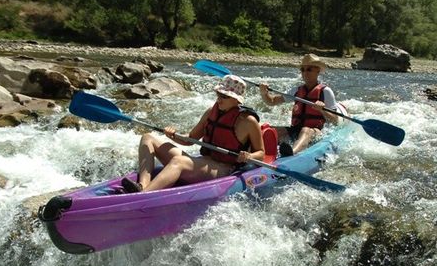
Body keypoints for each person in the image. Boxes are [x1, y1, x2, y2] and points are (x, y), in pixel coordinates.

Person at [121, 75, 265, 193]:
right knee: (148, 138)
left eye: (224, 96)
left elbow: (261, 153)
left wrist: (249, 156)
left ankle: (143, 197)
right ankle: (143, 186)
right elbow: (191, 140)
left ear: (236, 100)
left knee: (179, 162)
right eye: (218, 94)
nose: (219, 99)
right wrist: (173, 135)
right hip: (202, 163)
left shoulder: (248, 121)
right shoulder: (210, 112)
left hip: (223, 169)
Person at [259, 53, 345, 156]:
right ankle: (257, 151)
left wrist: (322, 110)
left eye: (309, 69)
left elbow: (335, 121)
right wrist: (264, 93)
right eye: (302, 70)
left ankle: (291, 153)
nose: (305, 73)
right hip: (296, 130)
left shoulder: (326, 91)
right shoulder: (296, 91)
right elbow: (271, 101)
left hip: (317, 133)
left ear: (318, 71)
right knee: (272, 130)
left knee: (305, 130)